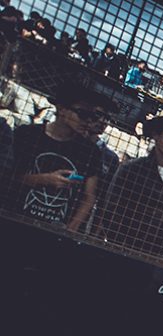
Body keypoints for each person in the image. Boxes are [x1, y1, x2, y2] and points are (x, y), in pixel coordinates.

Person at [5, 82, 110, 230]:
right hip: (14, 219)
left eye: (93, 116)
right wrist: (45, 179)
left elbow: (89, 196)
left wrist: (70, 230)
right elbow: (7, 177)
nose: (88, 121)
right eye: (82, 114)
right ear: (62, 109)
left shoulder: (90, 152)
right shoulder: (27, 135)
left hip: (56, 229)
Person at [96, 111, 163, 257]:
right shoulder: (132, 169)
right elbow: (111, 206)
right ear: (156, 136)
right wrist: (116, 242)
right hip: (124, 246)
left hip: (159, 252)